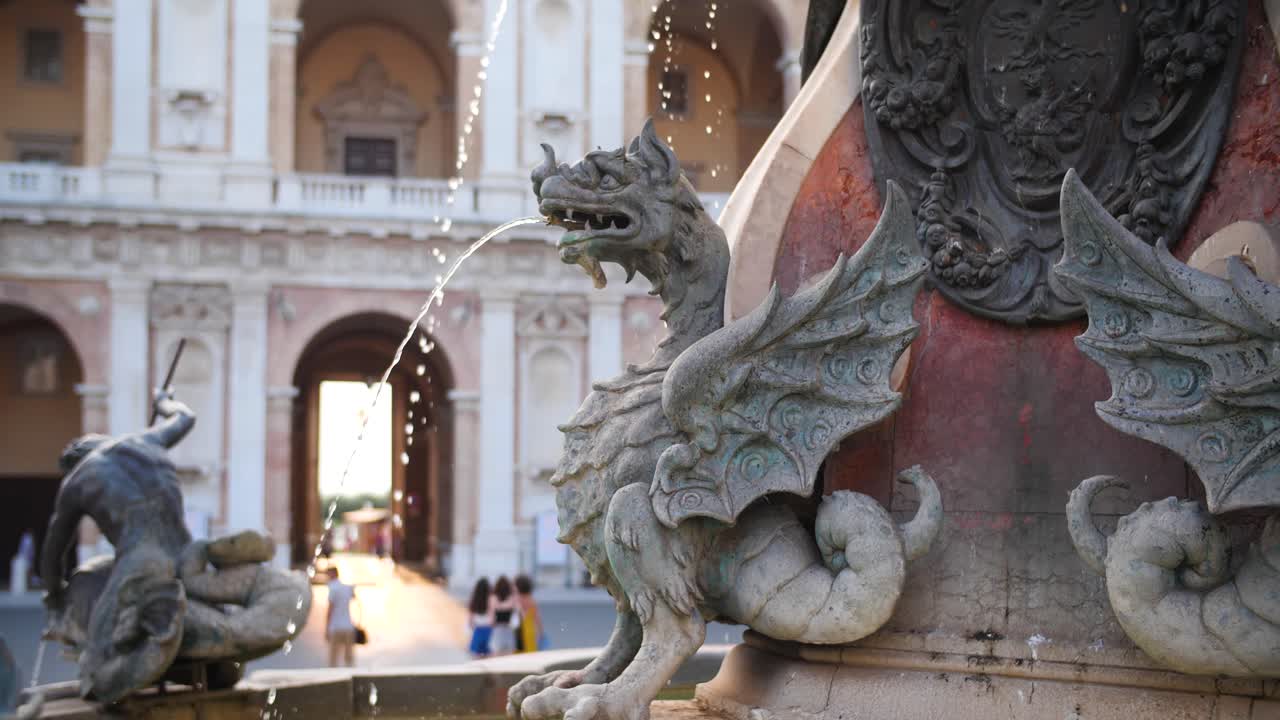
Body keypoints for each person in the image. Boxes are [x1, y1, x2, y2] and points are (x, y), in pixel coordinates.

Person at [326, 566, 357, 667]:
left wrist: (327, 628)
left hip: (336, 627)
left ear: (333, 574)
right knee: (349, 658)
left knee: (333, 658)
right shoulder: (347, 588)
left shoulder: (333, 588)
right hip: (348, 626)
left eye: (328, 574)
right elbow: (355, 598)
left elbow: (330, 609)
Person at [514, 575, 545, 653]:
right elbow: (537, 618)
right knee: (530, 653)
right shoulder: (531, 601)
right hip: (529, 629)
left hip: (518, 629)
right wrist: (541, 632)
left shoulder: (516, 600)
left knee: (518, 652)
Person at [489, 575, 518, 656]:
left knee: (496, 654)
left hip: (498, 629)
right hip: (508, 629)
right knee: (509, 654)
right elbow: (516, 611)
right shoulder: (512, 599)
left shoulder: (493, 599)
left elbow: (491, 619)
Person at [467, 578, 493, 658]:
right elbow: (492, 618)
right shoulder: (490, 600)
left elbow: (470, 621)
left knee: (476, 657)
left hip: (477, 630)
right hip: (488, 630)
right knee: (487, 657)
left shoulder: (474, 600)